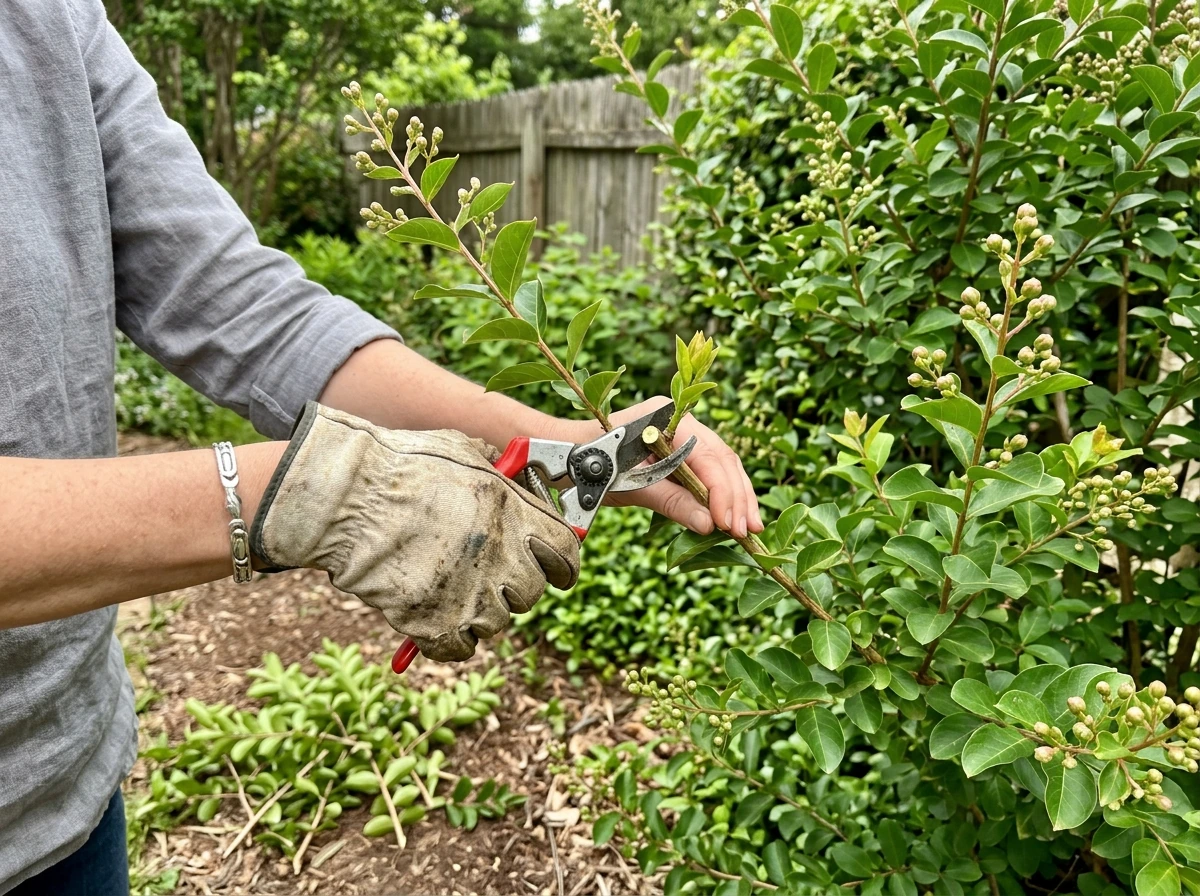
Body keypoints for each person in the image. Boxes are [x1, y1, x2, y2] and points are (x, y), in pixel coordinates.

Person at [0, 1, 763, 893]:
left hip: (65, 786)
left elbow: (250, 313)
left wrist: (570, 449)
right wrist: (310, 492)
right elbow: (301, 467)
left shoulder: (47, 16)